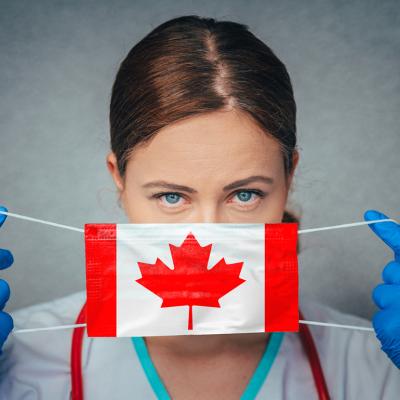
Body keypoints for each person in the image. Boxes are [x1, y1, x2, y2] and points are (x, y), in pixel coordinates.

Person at [0, 15, 399, 400]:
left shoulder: (373, 364)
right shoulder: (19, 361)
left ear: (288, 177)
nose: (206, 236)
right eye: (171, 197)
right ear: (118, 179)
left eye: (245, 195)